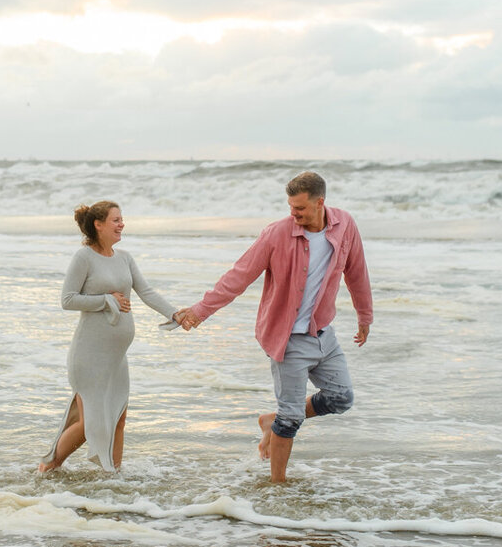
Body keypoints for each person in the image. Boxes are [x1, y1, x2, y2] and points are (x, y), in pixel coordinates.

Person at [175, 171, 373, 483]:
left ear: (321, 203)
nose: (293, 214)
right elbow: (239, 276)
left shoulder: (345, 225)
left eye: (300, 209)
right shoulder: (277, 234)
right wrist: (201, 311)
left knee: (341, 398)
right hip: (288, 339)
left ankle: (272, 421)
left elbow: (357, 272)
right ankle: (278, 485)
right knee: (292, 418)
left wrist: (365, 316)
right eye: (291, 207)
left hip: (323, 334)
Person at [39, 200, 186, 472]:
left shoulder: (125, 258)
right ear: (99, 225)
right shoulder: (83, 257)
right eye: (116, 220)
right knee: (89, 424)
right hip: (89, 355)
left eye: (122, 219)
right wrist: (106, 299)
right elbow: (67, 300)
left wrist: (175, 314)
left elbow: (147, 292)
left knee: (118, 418)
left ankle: (112, 477)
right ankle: (47, 468)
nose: (122, 224)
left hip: (116, 358)